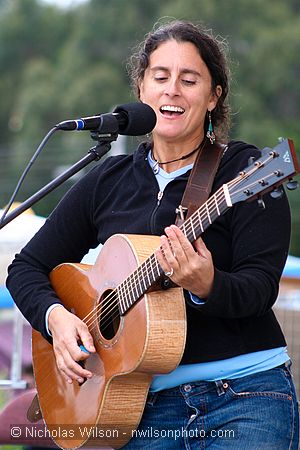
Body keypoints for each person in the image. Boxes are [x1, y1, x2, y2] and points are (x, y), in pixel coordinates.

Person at [6, 19, 299, 449]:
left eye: (189, 79)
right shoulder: (108, 178)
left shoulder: (247, 172)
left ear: (214, 96)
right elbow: (26, 267)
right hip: (138, 407)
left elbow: (259, 289)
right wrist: (58, 320)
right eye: (160, 77)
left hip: (244, 396)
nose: (172, 90)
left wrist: (206, 284)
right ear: (141, 88)